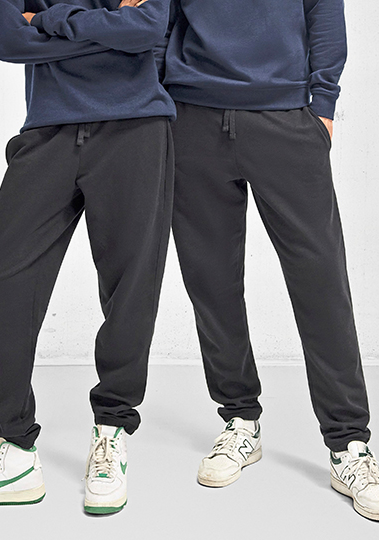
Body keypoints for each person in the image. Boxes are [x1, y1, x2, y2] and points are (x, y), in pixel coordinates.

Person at [154, 0, 379, 521]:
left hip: (286, 118)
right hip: (192, 116)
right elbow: (162, 16)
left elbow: (324, 11)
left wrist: (323, 105)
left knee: (321, 281)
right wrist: (164, 94)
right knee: (210, 278)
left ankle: (348, 443)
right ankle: (239, 420)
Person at [0, 0, 175, 515]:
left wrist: (48, 20)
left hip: (136, 126)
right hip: (48, 130)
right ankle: (13, 450)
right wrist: (109, 30)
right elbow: (11, 42)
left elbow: (148, 28)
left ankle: (111, 432)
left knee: (130, 286)